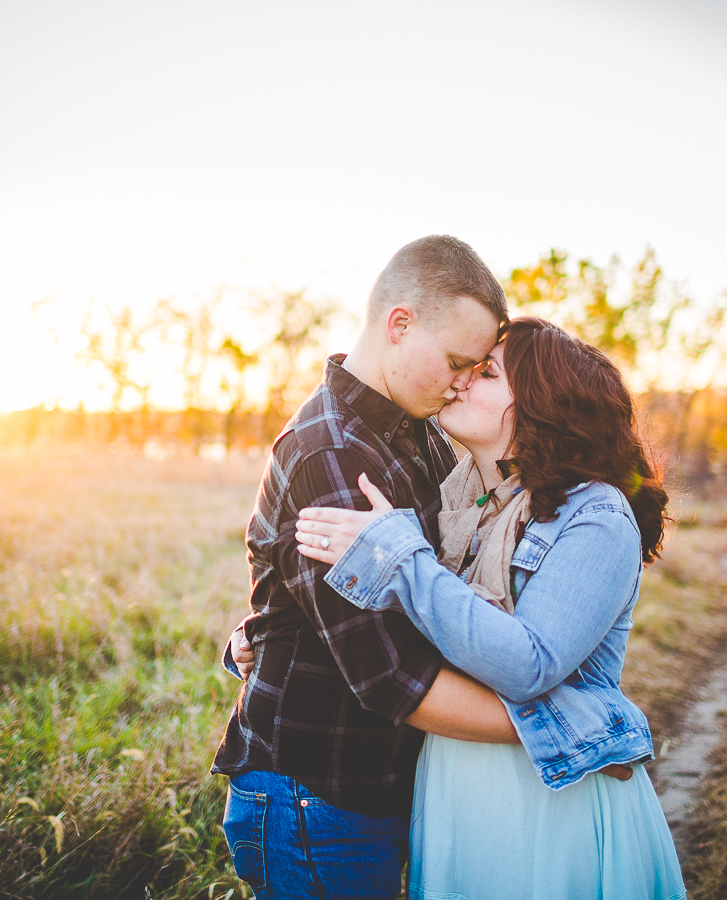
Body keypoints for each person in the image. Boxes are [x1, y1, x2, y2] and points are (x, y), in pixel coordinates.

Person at [291, 317, 687, 900]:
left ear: (541, 406)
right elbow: (423, 632)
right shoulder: (464, 505)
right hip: (453, 786)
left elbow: (528, 664)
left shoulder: (596, 517)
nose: (461, 381)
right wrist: (274, 635)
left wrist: (400, 557)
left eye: (488, 372)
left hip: (550, 800)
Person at [211, 235, 522, 900]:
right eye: (458, 362)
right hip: (315, 799)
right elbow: (391, 676)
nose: (466, 380)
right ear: (399, 324)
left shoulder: (415, 430)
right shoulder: (333, 453)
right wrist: (555, 731)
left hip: (362, 790)